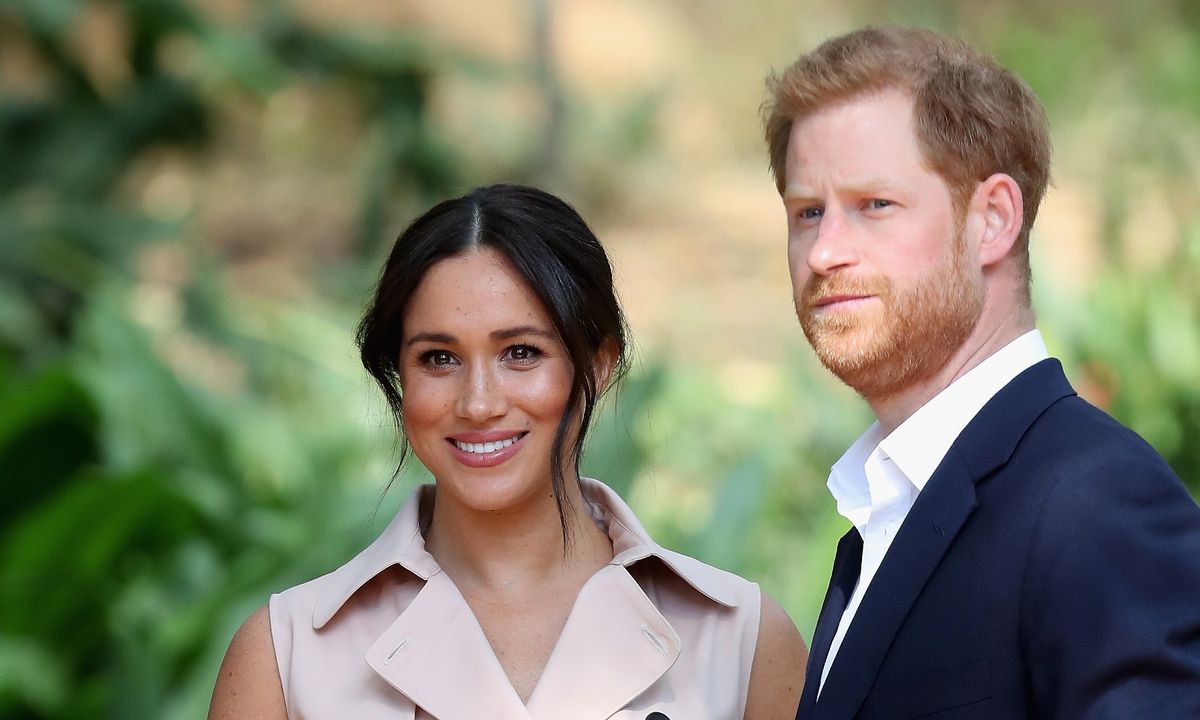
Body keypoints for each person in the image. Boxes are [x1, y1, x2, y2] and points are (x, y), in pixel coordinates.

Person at [762, 26, 1200, 719]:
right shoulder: (887, 512)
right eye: (808, 213)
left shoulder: (1099, 506)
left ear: (992, 220)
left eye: (874, 205)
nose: (823, 252)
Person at [208, 184, 807, 719]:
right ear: (400, 379)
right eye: (438, 358)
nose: (478, 403)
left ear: (595, 366)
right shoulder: (285, 656)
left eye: (520, 352)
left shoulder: (743, 642)